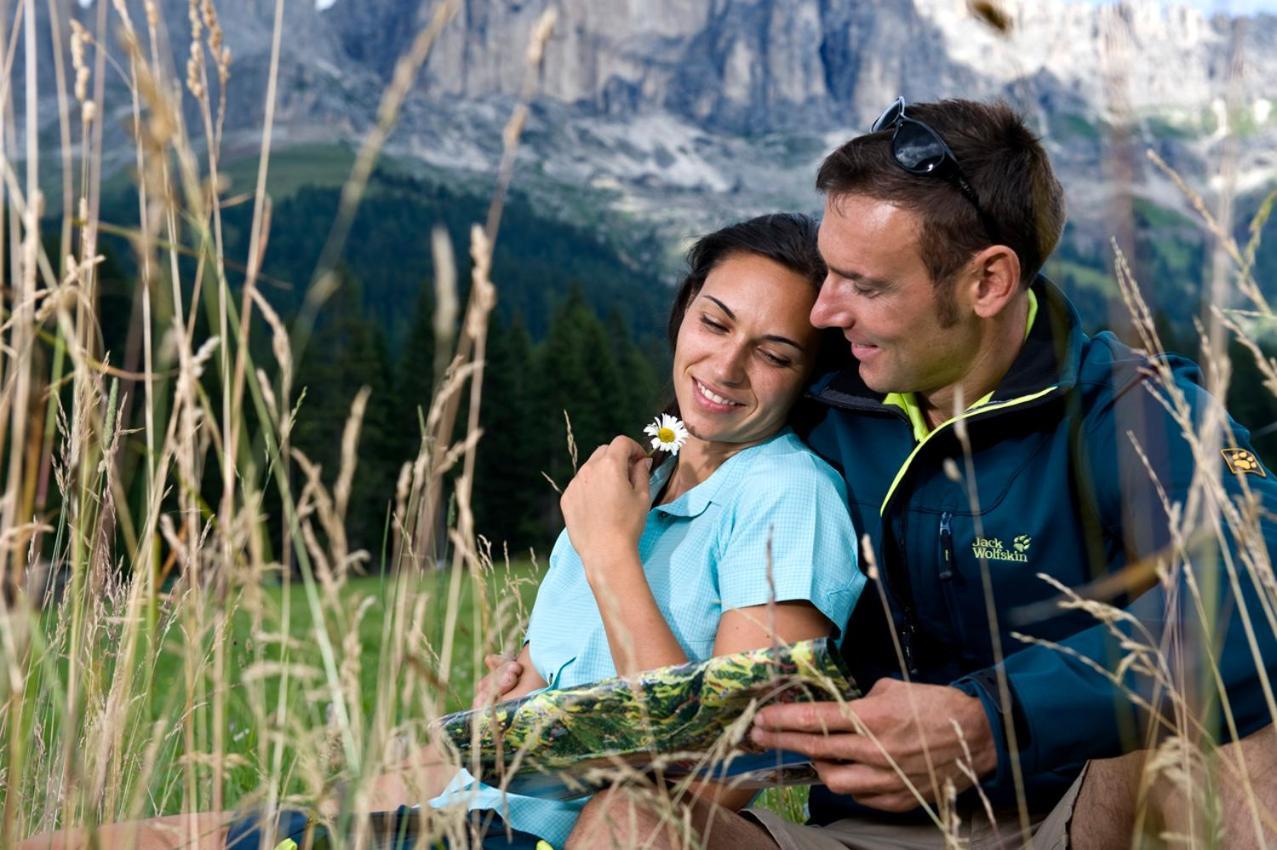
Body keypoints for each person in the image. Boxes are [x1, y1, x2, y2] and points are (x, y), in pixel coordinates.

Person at [558, 98, 1277, 850]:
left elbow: (1257, 582)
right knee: (627, 821)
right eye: (826, 273)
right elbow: (683, 470)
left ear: (987, 283)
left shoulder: (1131, 411)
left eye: (863, 286)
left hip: (1084, 819)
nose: (824, 312)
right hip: (865, 836)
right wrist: (544, 671)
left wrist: (994, 718)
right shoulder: (818, 391)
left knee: (1243, 721)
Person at [21, 213, 865, 850]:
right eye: (714, 323)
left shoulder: (788, 496)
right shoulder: (635, 477)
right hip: (459, 807)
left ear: (807, 379)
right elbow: (539, 692)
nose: (723, 368)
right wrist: (509, 704)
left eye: (773, 354)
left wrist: (607, 550)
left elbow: (716, 778)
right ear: (683, 315)